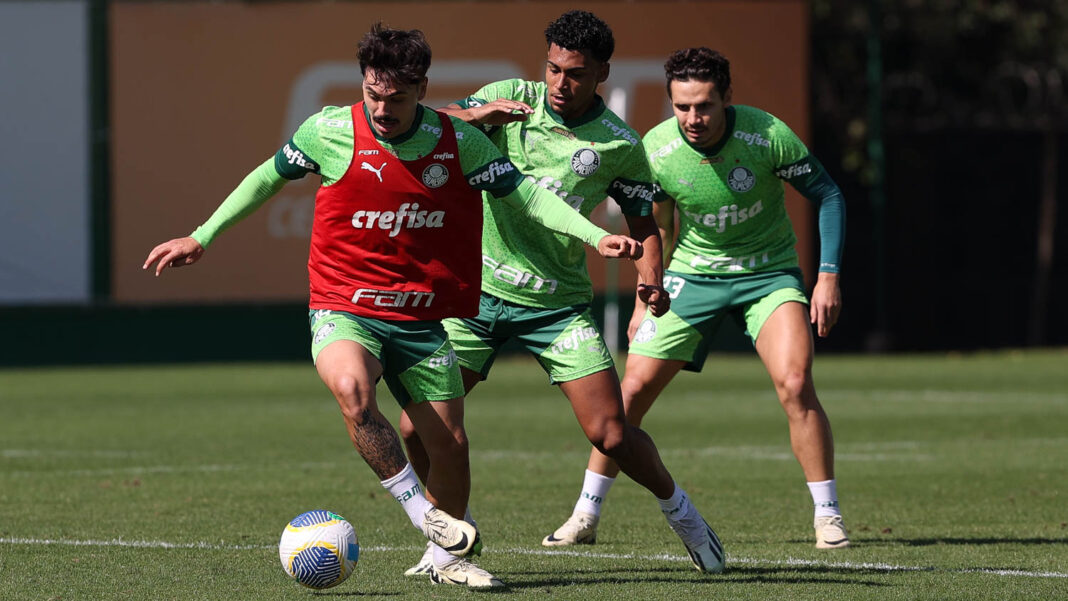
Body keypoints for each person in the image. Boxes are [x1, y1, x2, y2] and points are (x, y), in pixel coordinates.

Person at [142, 23, 646, 589]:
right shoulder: (329, 130)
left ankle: (449, 562)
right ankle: (424, 516)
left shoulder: (459, 142)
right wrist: (202, 236)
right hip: (344, 305)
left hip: (420, 315)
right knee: (355, 393)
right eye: (373, 95)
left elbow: (526, 195)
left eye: (396, 99)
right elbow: (266, 177)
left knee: (450, 446)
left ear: (422, 89)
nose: (382, 109)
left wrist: (592, 236)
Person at [398, 10, 725, 576]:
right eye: (552, 68)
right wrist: (479, 113)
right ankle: (449, 535)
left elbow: (643, 224)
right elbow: (421, 120)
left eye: (574, 73)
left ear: (601, 72)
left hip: (556, 307)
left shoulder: (620, 145)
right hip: (476, 300)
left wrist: (652, 280)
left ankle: (685, 516)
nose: (558, 83)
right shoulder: (507, 99)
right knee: (413, 428)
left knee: (611, 432)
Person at [549, 47, 851, 550]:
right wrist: (648, 294)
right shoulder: (657, 149)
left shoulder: (767, 135)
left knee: (796, 383)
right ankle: (586, 515)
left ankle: (828, 515)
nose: (693, 118)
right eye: (682, 106)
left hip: (768, 275)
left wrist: (828, 277)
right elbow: (658, 227)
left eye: (704, 106)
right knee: (628, 394)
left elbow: (829, 195)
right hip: (692, 275)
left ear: (726, 99)